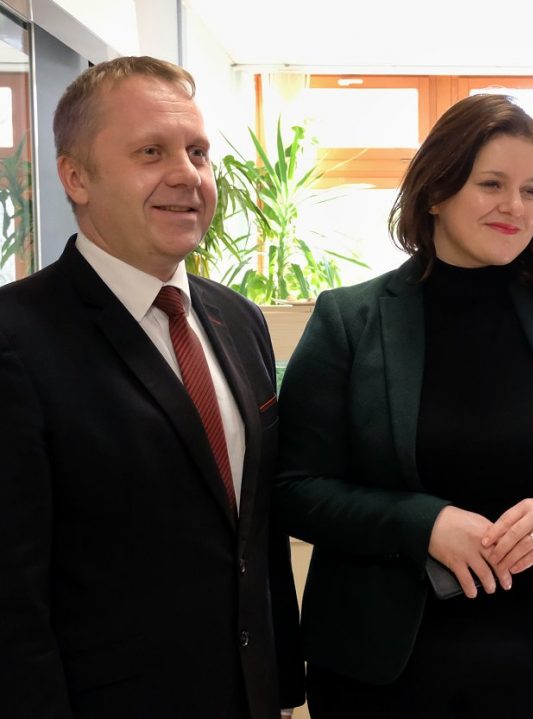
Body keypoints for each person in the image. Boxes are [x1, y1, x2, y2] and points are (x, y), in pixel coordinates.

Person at [273, 93, 533, 719]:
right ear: (437, 192)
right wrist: (422, 524)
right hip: (380, 670)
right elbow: (295, 489)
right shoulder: (351, 321)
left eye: (531, 190)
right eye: (491, 184)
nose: (514, 206)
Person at [0, 57, 303, 718]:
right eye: (150, 152)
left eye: (198, 152)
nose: (187, 175)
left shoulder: (238, 319)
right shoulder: (16, 337)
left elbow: (256, 534)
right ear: (76, 177)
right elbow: (10, 597)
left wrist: (278, 688)